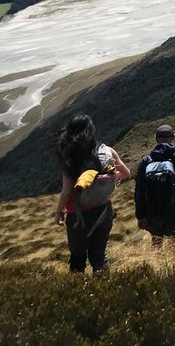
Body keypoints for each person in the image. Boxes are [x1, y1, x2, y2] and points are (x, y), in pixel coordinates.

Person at [53, 113, 129, 274]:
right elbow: (126, 173)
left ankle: (80, 292)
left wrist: (59, 212)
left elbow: (67, 191)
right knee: (99, 256)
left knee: (78, 257)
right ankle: (105, 289)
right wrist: (106, 182)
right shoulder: (107, 151)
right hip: (104, 211)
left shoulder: (72, 156)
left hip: (78, 216)